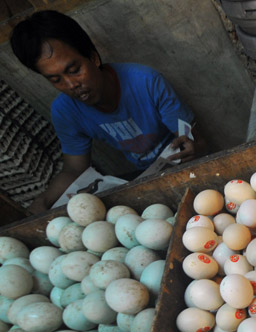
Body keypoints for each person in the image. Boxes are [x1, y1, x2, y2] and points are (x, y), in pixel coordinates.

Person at [10, 10, 204, 213]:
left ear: (93, 58)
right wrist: (44, 201)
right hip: (143, 176)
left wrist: (193, 146)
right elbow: (75, 169)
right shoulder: (64, 110)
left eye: (74, 70)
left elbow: (196, 140)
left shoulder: (145, 81)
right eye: (56, 79)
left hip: (182, 169)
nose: (71, 85)